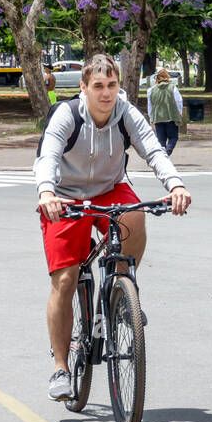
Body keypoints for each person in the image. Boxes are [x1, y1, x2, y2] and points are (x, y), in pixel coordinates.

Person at [34, 54, 190, 401]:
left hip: (108, 189)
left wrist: (175, 185)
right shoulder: (68, 114)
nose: (106, 93)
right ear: (84, 88)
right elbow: (48, 156)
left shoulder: (125, 112)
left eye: (112, 85)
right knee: (65, 280)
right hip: (64, 196)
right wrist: (47, 192)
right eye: (99, 86)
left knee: (135, 214)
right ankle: (60, 368)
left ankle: (122, 294)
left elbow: (153, 149)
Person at [147, 68, 183, 155]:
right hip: (171, 117)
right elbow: (178, 101)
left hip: (158, 118)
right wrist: (179, 112)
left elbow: (150, 105)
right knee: (173, 137)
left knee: (161, 140)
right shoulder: (173, 88)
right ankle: (168, 150)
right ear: (167, 77)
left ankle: (162, 155)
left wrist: (151, 117)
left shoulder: (151, 90)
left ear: (157, 78)